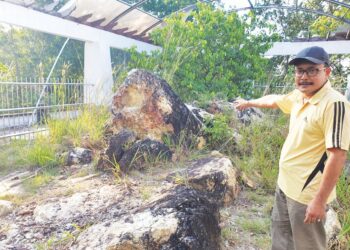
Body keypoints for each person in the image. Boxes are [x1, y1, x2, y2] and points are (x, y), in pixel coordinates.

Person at [234, 46, 350, 250]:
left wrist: (319, 201)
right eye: (299, 71)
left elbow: (337, 156)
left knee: (307, 246)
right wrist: (249, 102)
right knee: (281, 241)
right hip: (285, 185)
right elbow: (275, 100)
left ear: (327, 71)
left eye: (312, 70)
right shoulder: (301, 95)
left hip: (307, 196)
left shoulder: (334, 104)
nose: (304, 76)